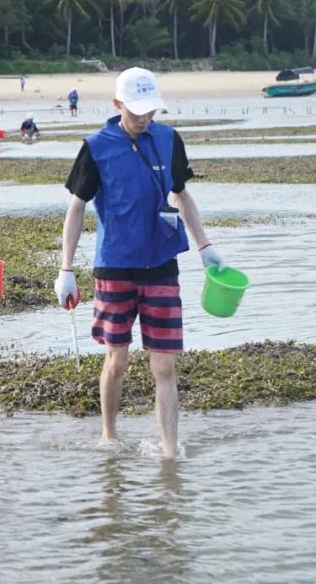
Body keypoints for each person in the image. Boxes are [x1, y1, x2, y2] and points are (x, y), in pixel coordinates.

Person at [55, 67, 225, 459]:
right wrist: (66, 268)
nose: (144, 118)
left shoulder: (168, 139)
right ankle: (109, 434)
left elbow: (182, 195)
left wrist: (205, 246)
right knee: (117, 359)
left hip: (161, 264)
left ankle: (169, 451)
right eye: (136, 112)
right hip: (115, 266)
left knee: (164, 365)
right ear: (118, 104)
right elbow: (76, 207)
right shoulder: (96, 146)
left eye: (150, 111)